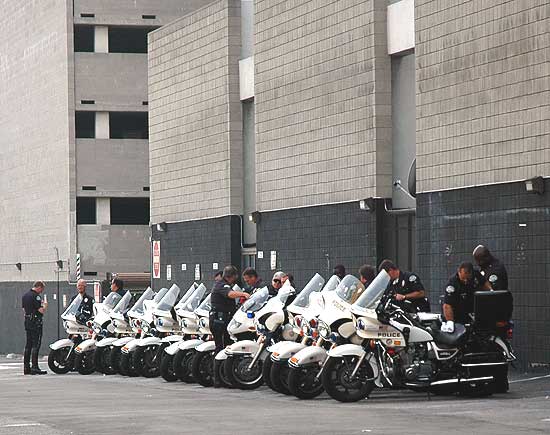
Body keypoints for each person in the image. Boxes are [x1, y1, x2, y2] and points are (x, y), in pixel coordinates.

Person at [210, 266, 250, 387]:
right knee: (221, 348)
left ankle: (224, 376)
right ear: (230, 276)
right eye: (234, 277)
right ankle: (217, 378)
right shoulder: (222, 285)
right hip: (219, 321)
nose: (235, 280)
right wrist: (243, 294)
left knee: (225, 347)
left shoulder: (221, 284)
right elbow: (230, 294)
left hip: (222, 320)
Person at [442, 262, 492, 332]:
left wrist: (491, 291)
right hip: (458, 314)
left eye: (468, 279)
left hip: (472, 311)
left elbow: (484, 283)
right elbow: (447, 305)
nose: (466, 281)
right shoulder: (452, 283)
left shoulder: (476, 274)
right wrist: (450, 322)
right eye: (463, 278)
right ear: (459, 272)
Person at [22, 281, 48, 375]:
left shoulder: (25, 296)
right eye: (42, 289)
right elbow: (41, 311)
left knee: (28, 344)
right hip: (35, 322)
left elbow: (24, 310)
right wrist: (45, 306)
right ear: (39, 287)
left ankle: (26, 367)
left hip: (28, 321)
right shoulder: (36, 296)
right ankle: (35, 367)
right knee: (36, 344)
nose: (41, 291)